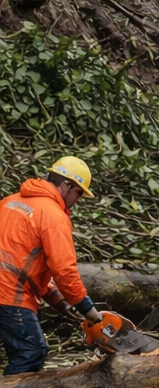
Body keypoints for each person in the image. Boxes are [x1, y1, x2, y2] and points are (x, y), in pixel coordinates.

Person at [0, 156, 104, 374]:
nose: (78, 200)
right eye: (78, 193)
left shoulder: (9, 201)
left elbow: (19, 263)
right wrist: (88, 310)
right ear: (66, 186)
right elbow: (64, 271)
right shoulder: (53, 217)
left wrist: (60, 302)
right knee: (30, 352)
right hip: (9, 295)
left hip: (7, 287)